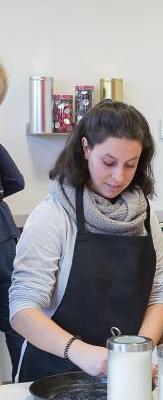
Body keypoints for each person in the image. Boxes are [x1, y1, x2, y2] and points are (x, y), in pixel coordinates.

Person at [9, 101, 163, 382]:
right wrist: (80, 351)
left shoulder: (144, 216)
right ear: (86, 148)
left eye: (130, 164)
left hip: (124, 376)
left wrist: (138, 350)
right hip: (55, 375)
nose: (119, 176)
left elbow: (158, 292)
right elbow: (22, 310)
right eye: (108, 162)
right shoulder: (53, 215)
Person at [0, 62, 26, 379]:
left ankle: (23, 382)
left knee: (15, 317)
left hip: (4, 244)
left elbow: (17, 181)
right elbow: (15, 182)